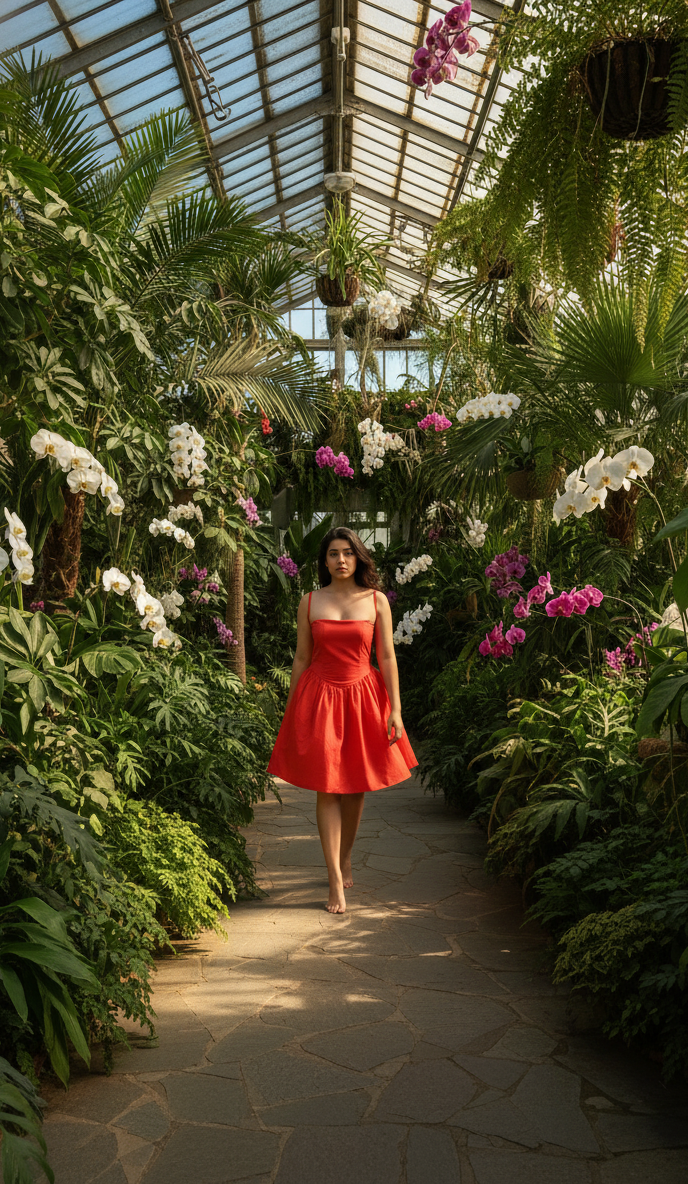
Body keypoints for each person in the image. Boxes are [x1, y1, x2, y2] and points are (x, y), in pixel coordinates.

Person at [267, 526, 418, 913]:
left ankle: (345, 854)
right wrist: (292, 709)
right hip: (319, 698)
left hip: (364, 696)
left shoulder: (377, 601)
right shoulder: (309, 601)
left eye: (348, 553)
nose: (341, 560)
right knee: (328, 787)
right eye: (333, 554)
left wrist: (396, 709)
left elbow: (386, 657)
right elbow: (301, 658)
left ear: (358, 557)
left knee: (354, 787)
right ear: (324, 561)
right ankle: (334, 876)